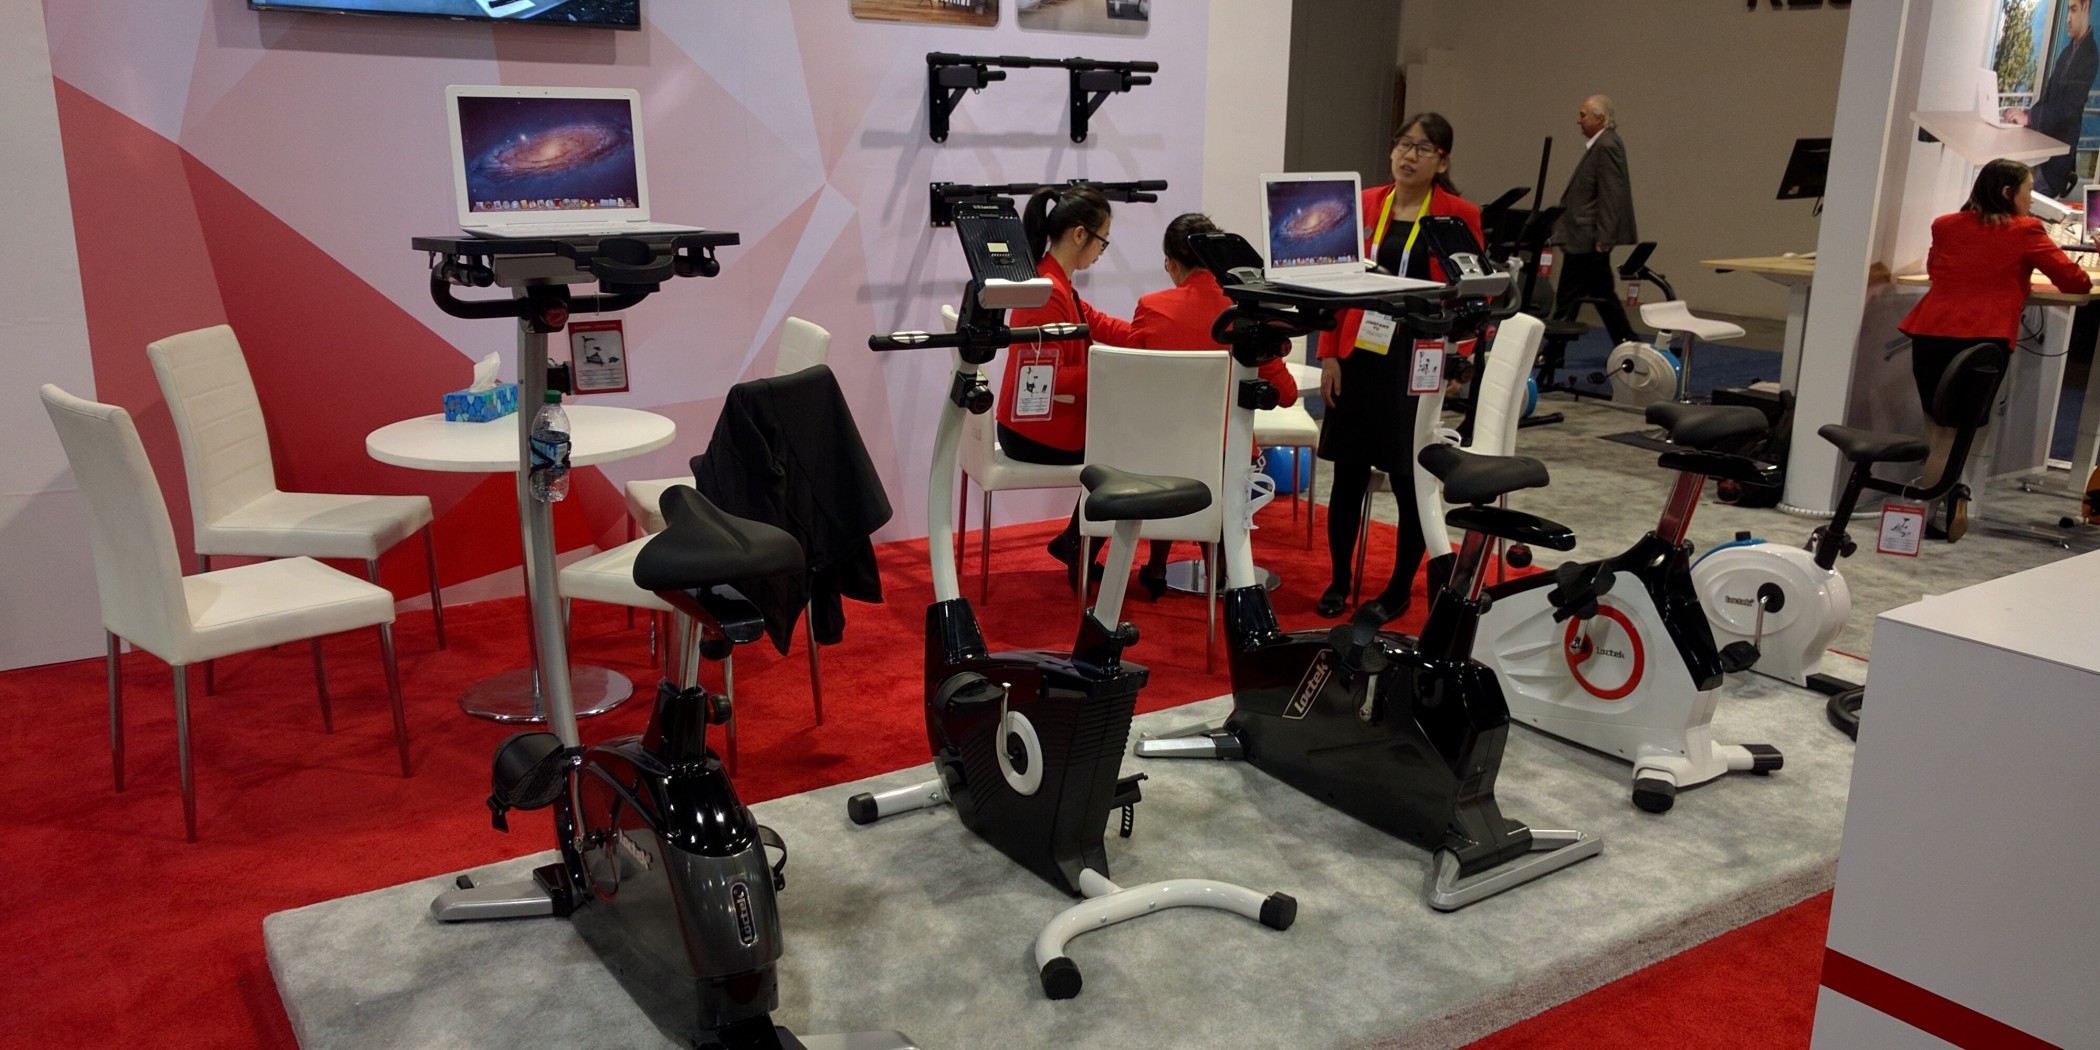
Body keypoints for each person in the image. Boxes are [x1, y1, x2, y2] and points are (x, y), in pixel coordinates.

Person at [1314, 113, 1483, 622]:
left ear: (1442, 161)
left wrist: (1459, 360)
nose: (1410, 156)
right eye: (1403, 144)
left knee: (1410, 477)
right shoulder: (1365, 204)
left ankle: (1399, 588)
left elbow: (1473, 294)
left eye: (1424, 148)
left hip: (1417, 358)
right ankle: (1339, 579)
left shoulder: (1458, 215)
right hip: (1359, 352)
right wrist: (1328, 353)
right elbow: (1336, 282)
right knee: (1347, 475)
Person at [1898, 157, 2091, 541]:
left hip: (1930, 333)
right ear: (2007, 192)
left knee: (1937, 432)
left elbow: (1938, 271)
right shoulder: (2026, 230)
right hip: (1981, 342)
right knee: (1952, 437)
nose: (2031, 199)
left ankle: (1935, 507)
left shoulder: (1945, 224)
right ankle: (1921, 519)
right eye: (2027, 190)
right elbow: (2075, 281)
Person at [1127, 212, 1301, 598]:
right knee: (1223, 463)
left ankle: (1157, 566)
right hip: (1227, 456)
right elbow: (1287, 394)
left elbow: (1134, 377)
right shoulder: (1248, 312)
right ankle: (1221, 568)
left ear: (1172, 263)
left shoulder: (1151, 307)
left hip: (1164, 449)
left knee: (1166, 455)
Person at [996, 184, 1139, 587]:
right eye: (1102, 241)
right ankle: (1079, 543)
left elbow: (1095, 320)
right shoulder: (1046, 291)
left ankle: (1076, 540)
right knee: (1129, 449)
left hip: (1034, 424)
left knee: (1125, 442)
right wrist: (1110, 369)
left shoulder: (1054, 282)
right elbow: (1042, 381)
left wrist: (1147, 335)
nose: (1101, 251)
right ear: (1080, 235)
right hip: (1033, 430)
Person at [1550, 94, 1639, 346]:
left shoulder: (1606, 146)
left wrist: (1604, 236)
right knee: (1601, 295)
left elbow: (1611, 194)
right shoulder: (1603, 144)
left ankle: (1554, 350)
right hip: (1587, 236)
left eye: (1583, 115)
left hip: (1587, 237)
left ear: (1599, 119)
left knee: (1569, 297)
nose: (1578, 120)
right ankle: (1628, 342)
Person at [2009, 0, 2096, 198]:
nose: (2068, 19)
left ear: (2085, 8)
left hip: (2054, 164)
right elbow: (2048, 96)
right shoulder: (2066, 53)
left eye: (2073, 10)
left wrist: (2030, 118)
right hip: (2043, 152)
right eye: (2068, 10)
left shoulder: (2089, 56)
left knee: (2016, 197)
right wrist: (2025, 117)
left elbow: (2068, 109)